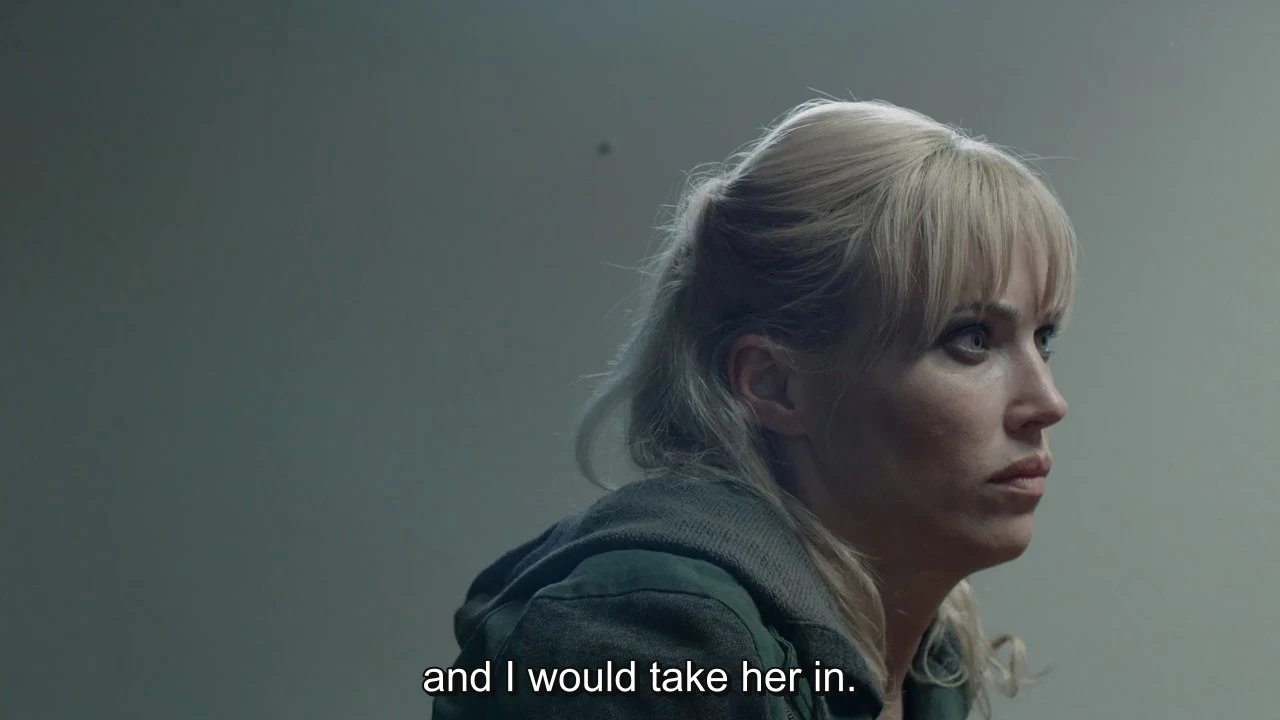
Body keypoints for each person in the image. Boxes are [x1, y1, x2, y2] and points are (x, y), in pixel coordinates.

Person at [430, 99, 1076, 720]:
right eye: (972, 339)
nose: (1047, 404)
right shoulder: (658, 642)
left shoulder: (926, 655)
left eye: (1042, 337)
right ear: (774, 385)